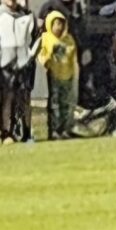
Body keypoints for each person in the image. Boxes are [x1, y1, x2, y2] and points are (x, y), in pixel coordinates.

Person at [0, 0, 38, 144]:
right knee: (7, 99)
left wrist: (31, 55)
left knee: (25, 98)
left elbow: (35, 37)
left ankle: (27, 132)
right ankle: (6, 133)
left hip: (24, 64)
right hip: (5, 65)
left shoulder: (27, 16)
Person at [38, 9, 78, 138]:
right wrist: (48, 58)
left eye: (61, 24)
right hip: (53, 76)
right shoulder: (46, 38)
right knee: (54, 105)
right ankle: (54, 131)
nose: (59, 27)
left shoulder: (69, 39)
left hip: (67, 76)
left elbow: (73, 58)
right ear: (50, 24)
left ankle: (65, 129)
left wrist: (75, 73)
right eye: (56, 24)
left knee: (66, 105)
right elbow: (41, 55)